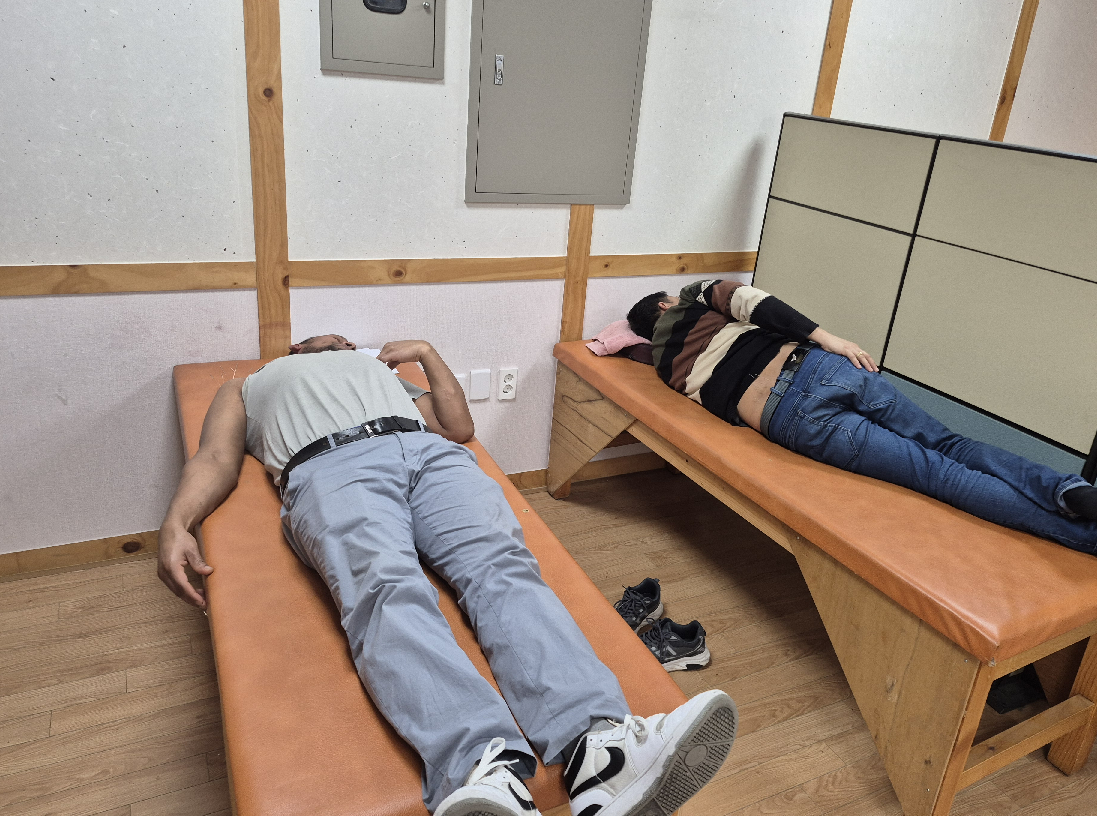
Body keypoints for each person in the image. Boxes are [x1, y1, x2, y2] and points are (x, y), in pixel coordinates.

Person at [157, 333, 738, 816]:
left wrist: (427, 354)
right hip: (330, 466)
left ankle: (598, 752)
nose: (340, 342)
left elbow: (457, 427)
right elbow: (216, 458)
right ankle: (483, 771)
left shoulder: (380, 372)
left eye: (346, 341)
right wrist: (178, 522)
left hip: (427, 455)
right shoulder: (251, 384)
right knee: (387, 591)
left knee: (503, 568)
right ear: (296, 348)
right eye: (326, 339)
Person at [627, 281, 1097, 601]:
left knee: (940, 476)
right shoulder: (695, 296)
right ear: (664, 306)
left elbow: (632, 353)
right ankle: (1073, 492)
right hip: (822, 368)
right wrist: (829, 338)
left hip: (792, 421)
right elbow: (759, 304)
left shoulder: (665, 370)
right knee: (954, 445)